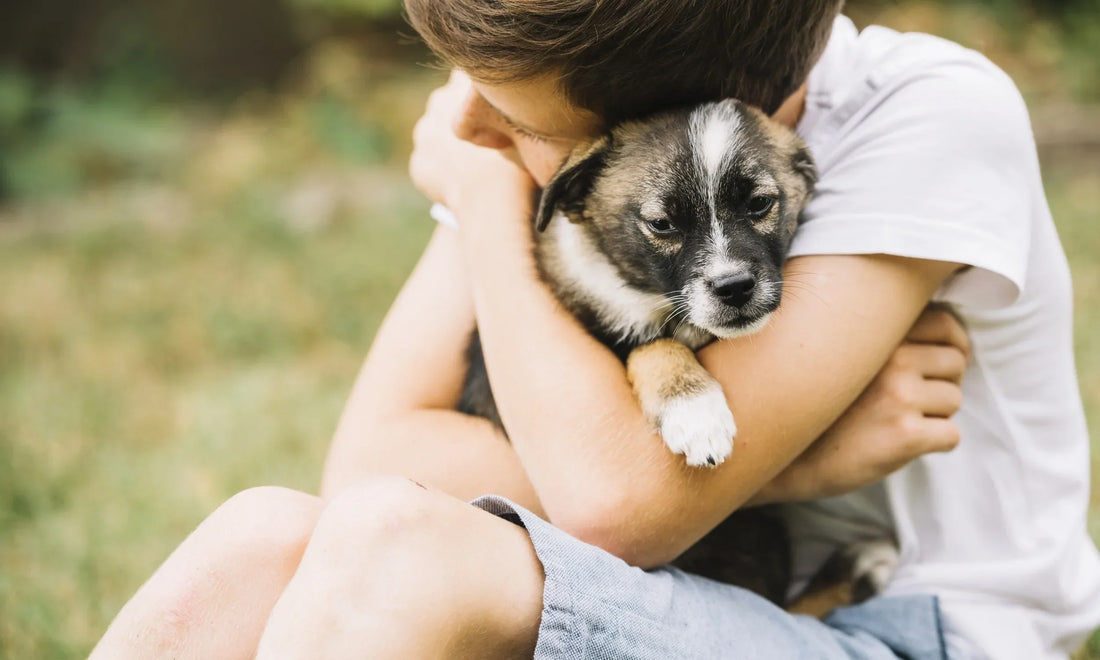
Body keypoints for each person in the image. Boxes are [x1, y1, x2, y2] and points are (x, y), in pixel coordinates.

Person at [90, 1, 1100, 658]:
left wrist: (486, 204)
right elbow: (371, 462)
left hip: (916, 634)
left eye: (511, 124)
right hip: (692, 593)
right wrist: (787, 464)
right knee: (258, 538)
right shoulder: (556, 155)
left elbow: (617, 505)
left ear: (672, 124)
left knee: (398, 553)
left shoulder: (923, 116)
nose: (465, 131)